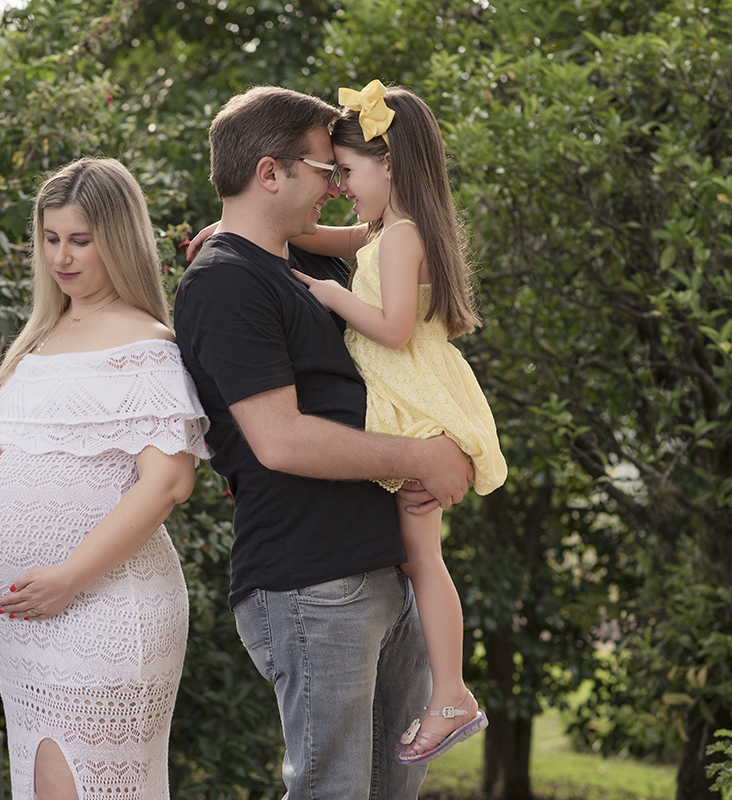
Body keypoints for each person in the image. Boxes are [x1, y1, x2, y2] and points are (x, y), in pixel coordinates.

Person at [172, 85, 473, 800]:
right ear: (270, 172)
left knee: (386, 792)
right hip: (312, 580)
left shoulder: (320, 271)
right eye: (323, 170)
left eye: (346, 173)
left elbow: (404, 355)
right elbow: (278, 441)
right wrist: (419, 457)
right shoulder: (225, 284)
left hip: (385, 569)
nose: (338, 188)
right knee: (331, 791)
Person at [0, 157, 209, 800]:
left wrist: (69, 576)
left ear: (117, 239)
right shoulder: (44, 335)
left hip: (102, 605)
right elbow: (32, 442)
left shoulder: (146, 344)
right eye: (51, 238)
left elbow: (167, 483)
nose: (62, 257)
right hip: (30, 628)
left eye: (81, 240)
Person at [286, 80, 506, 766]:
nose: (343, 186)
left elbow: (392, 327)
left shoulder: (400, 237)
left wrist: (326, 292)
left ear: (390, 165)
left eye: (348, 172)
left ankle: (450, 694)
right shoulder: (390, 231)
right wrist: (235, 231)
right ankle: (448, 690)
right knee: (418, 557)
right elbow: (315, 232)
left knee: (424, 558)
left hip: (414, 404)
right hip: (413, 398)